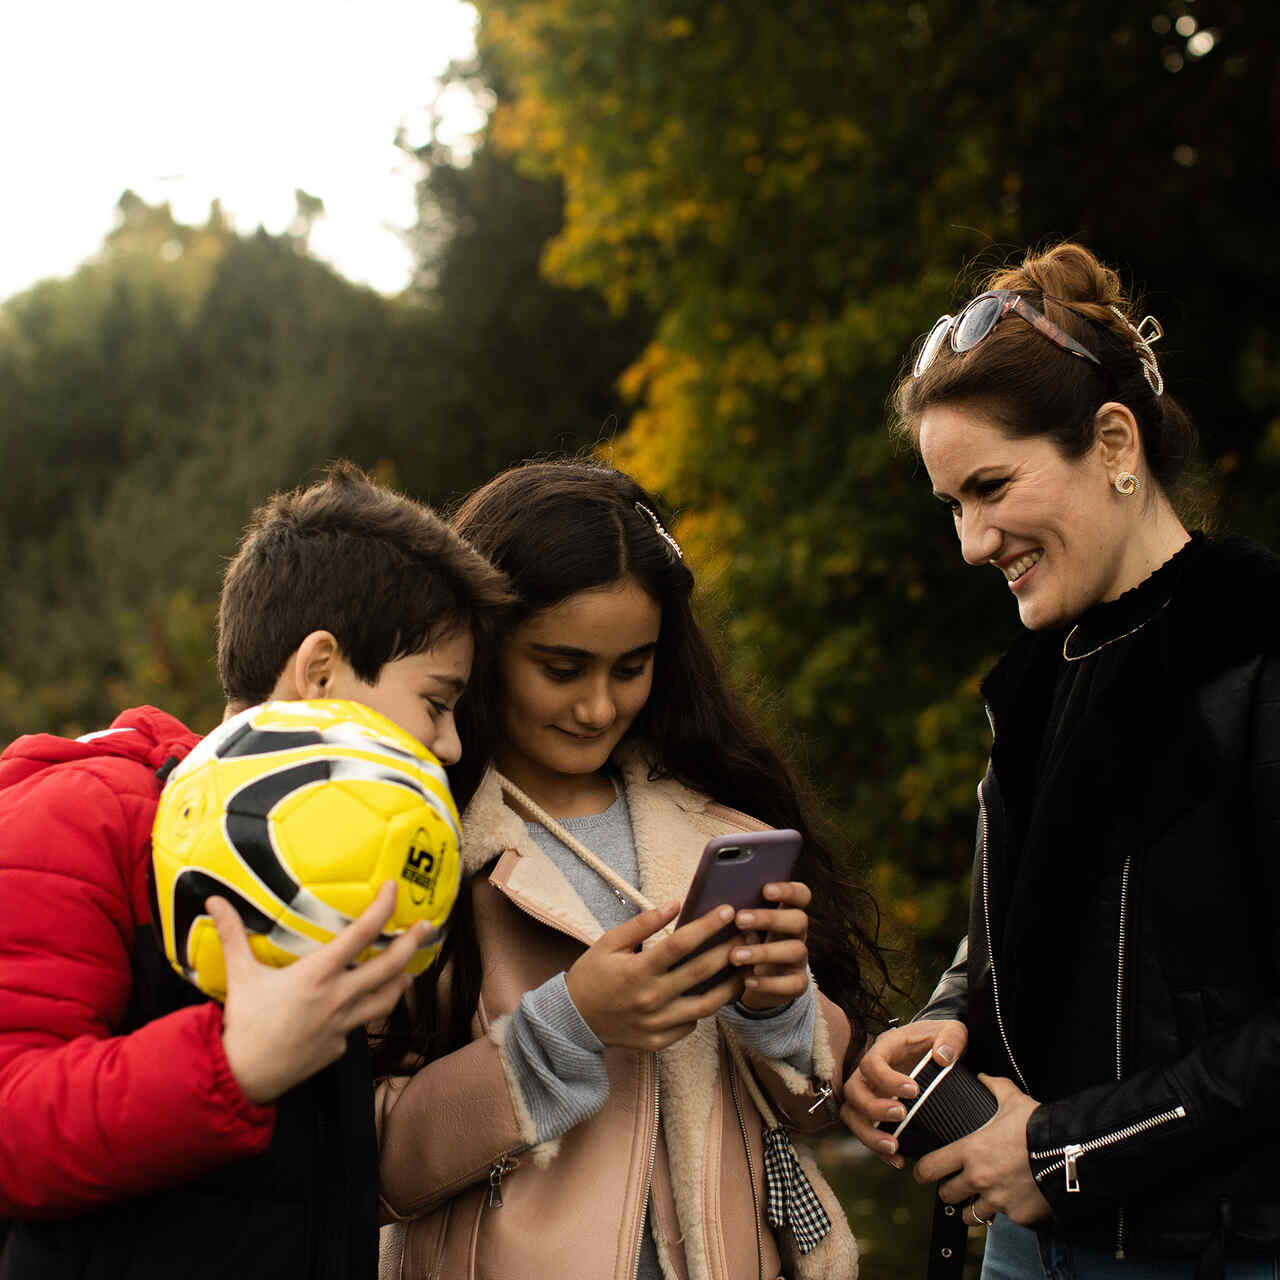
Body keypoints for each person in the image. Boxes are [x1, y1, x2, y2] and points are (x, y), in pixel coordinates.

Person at [840, 243, 1280, 1278]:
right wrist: (945, 1019)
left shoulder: (1255, 652)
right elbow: (1027, 923)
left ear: (1114, 442)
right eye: (952, 503)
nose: (970, 542)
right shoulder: (1038, 677)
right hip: (1022, 1248)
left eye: (989, 486)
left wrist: (1065, 1150)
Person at [374, 459, 891, 1280]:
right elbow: (373, 1167)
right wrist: (569, 1025)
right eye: (561, 668)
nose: (598, 707)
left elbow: (814, 1112)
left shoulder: (723, 832)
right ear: (482, 647)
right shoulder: (405, 851)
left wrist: (780, 1006)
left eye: (630, 668)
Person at [0, 461, 512, 1279]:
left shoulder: (342, 860)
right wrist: (232, 1065)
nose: (449, 746)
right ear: (320, 673)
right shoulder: (83, 816)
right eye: (436, 703)